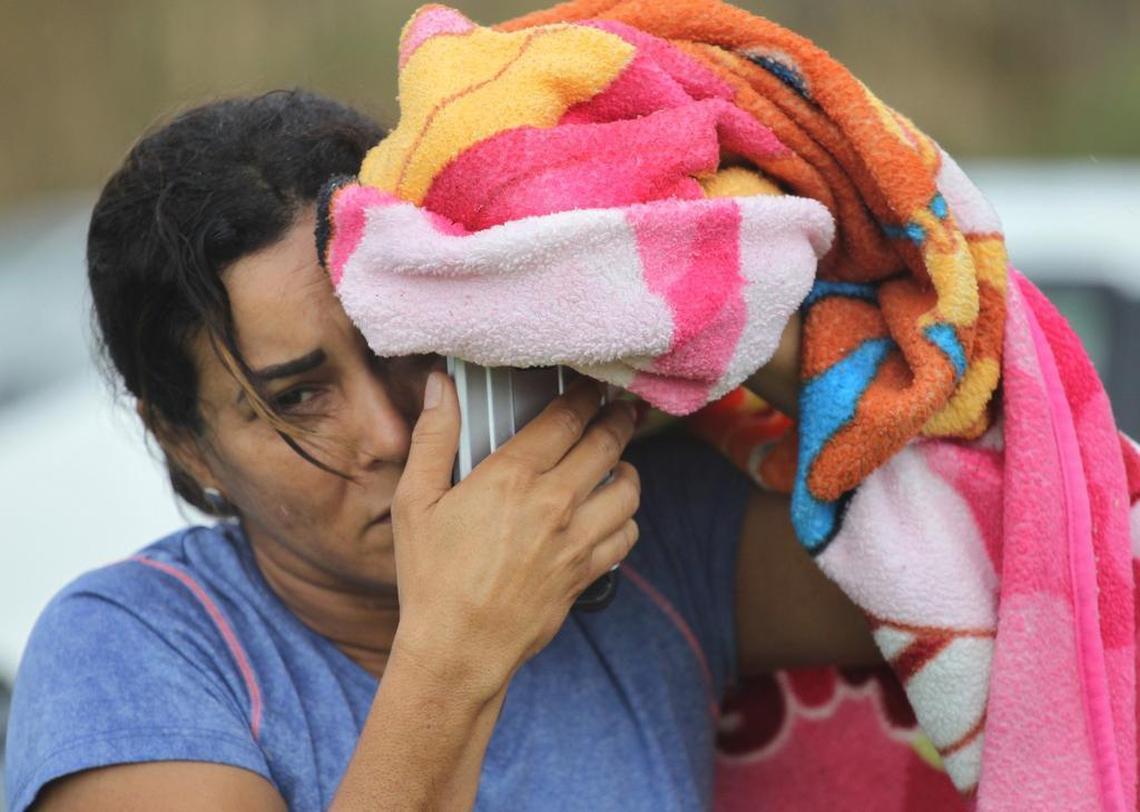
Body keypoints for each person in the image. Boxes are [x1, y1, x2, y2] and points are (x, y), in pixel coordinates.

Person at [4, 90, 878, 811]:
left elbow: (989, 548)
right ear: (186, 443)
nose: (393, 434)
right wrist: (458, 650)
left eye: (410, 351)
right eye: (298, 399)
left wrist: (715, 306)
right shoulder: (134, 650)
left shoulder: (634, 545)